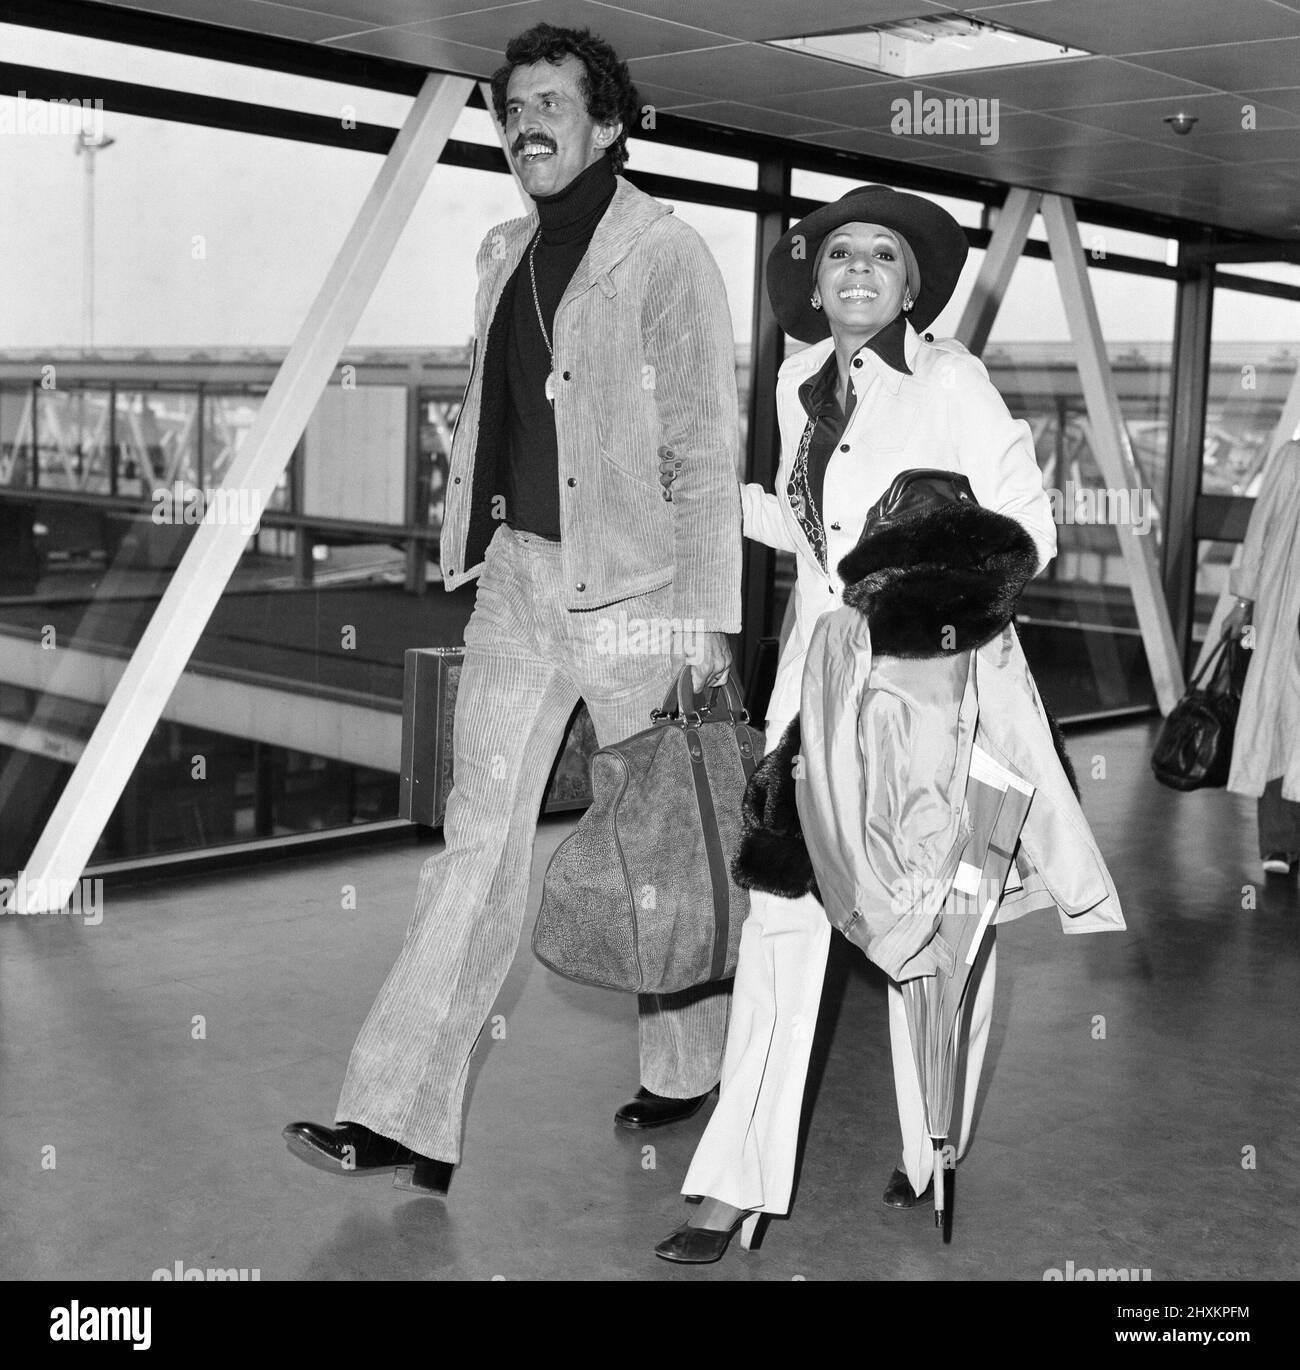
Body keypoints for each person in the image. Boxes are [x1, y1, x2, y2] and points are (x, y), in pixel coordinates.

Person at [284, 22, 742, 1195]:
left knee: (660, 835)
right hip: (517, 582)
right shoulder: (500, 249)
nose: (526, 123)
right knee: (472, 846)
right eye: (511, 108)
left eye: (550, 102)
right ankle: (397, 1112)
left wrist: (701, 620)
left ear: (607, 124)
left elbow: (701, 441)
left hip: (637, 593)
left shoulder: (666, 254)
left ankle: (691, 1064)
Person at [653, 185, 1059, 1262]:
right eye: (841, 255)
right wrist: (713, 497)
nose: (860, 272)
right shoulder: (798, 384)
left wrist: (917, 569)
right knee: (782, 920)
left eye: (884, 256)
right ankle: (729, 1185)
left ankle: (933, 1142)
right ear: (816, 278)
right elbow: (807, 529)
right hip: (811, 692)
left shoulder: (953, 381)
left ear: (913, 284)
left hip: (920, 692)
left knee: (926, 930)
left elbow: (1030, 530)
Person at [1224, 438, 1300, 876]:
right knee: (1276, 722)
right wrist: (1243, 600)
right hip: (1287, 611)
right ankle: (1279, 843)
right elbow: (1261, 528)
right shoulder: (1293, 457)